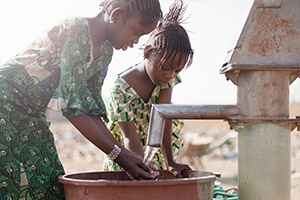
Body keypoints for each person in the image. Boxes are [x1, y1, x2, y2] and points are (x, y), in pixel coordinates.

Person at [0, 0, 162, 199]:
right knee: (12, 178)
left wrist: (123, 153)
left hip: (31, 114)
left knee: (48, 180)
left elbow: (88, 110)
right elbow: (72, 109)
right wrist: (119, 155)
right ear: (116, 15)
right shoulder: (77, 30)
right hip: (4, 101)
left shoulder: (105, 53)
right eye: (136, 32)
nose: (136, 41)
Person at [104, 0, 194, 177]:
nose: (170, 75)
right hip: (128, 160)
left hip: (155, 158)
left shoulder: (165, 80)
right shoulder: (120, 89)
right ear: (147, 53)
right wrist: (140, 170)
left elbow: (164, 118)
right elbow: (129, 137)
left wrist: (170, 162)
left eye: (177, 71)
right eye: (166, 67)